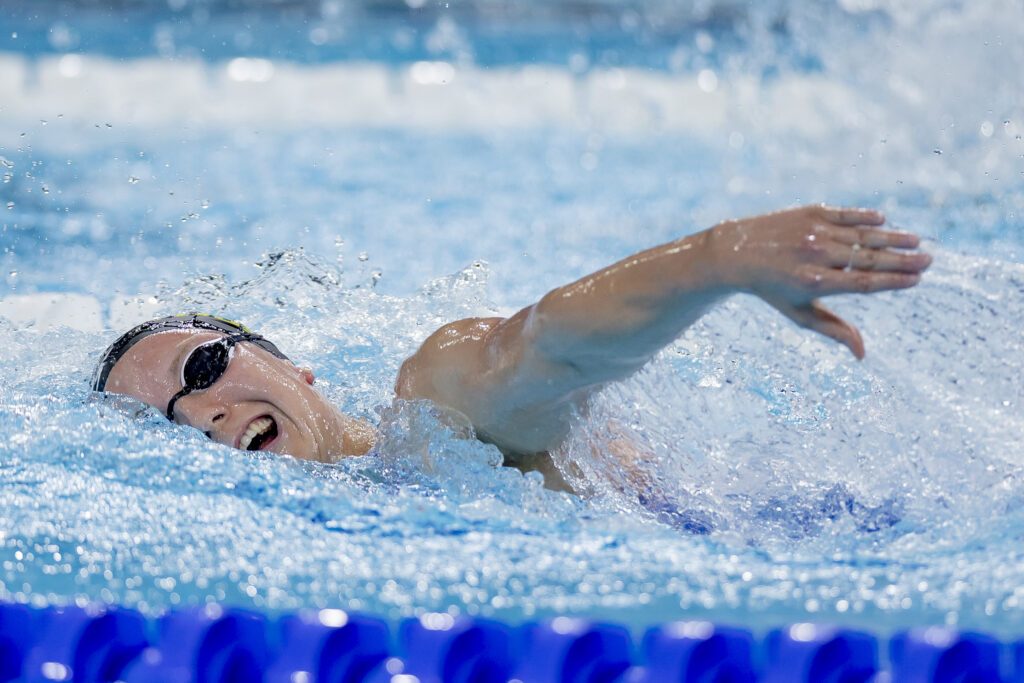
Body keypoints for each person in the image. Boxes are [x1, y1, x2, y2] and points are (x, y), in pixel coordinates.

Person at [91, 205, 931, 492]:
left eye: (202, 369)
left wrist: (718, 258)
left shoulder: (434, 416)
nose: (203, 415)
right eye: (169, 424)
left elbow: (540, 349)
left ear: (291, 365)